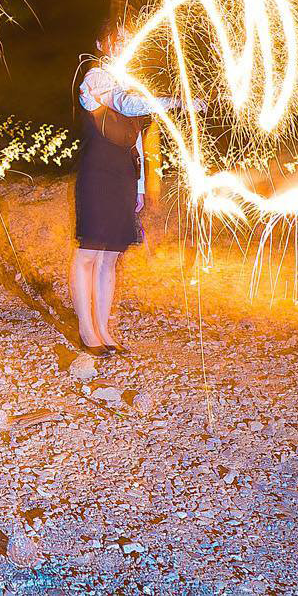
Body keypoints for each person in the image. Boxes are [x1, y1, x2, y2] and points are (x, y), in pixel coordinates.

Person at [71, 20, 193, 355]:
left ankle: (105, 330)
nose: (124, 43)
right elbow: (125, 106)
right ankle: (87, 330)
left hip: (124, 175)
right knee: (90, 253)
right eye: (118, 38)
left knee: (110, 256)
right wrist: (174, 101)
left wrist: (139, 186)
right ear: (101, 43)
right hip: (98, 174)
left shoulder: (132, 85)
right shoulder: (95, 77)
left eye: (128, 38)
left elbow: (137, 141)